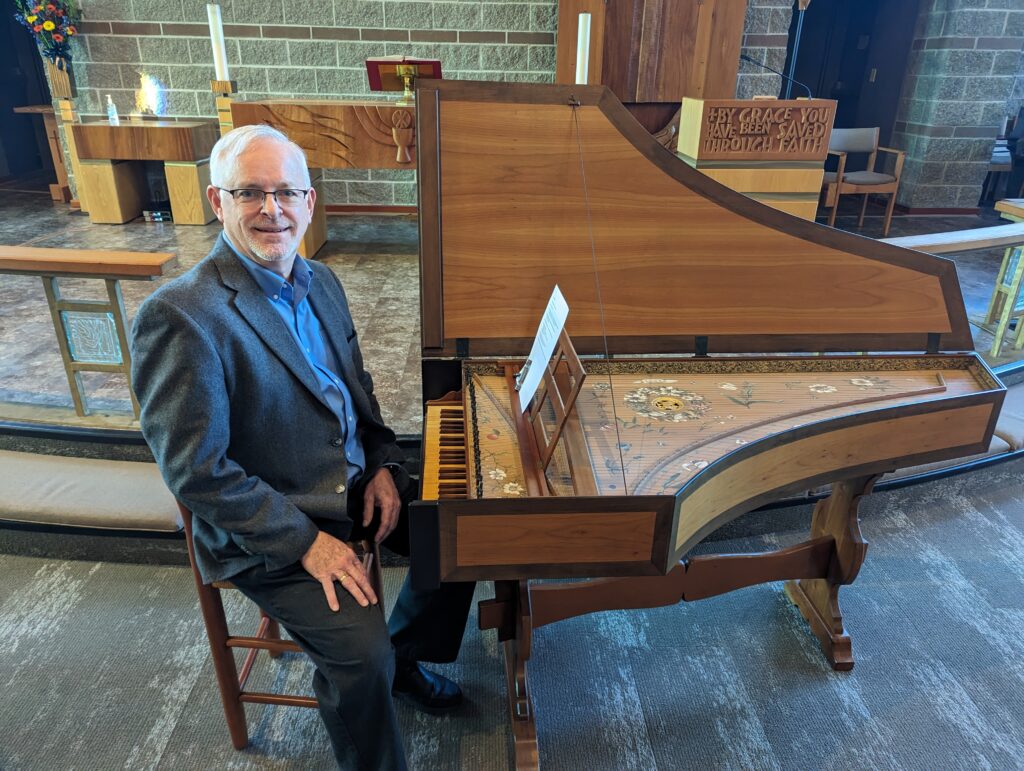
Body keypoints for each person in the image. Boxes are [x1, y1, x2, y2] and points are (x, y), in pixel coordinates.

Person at [130, 124, 475, 770]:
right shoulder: (182, 315)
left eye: (286, 191)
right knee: (357, 655)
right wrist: (308, 542)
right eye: (251, 192)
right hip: (272, 528)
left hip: (350, 485)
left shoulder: (321, 282)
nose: (272, 208)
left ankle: (405, 654)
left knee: (464, 519)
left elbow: (359, 399)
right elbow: (197, 474)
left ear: (310, 202)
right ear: (217, 200)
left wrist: (382, 465)